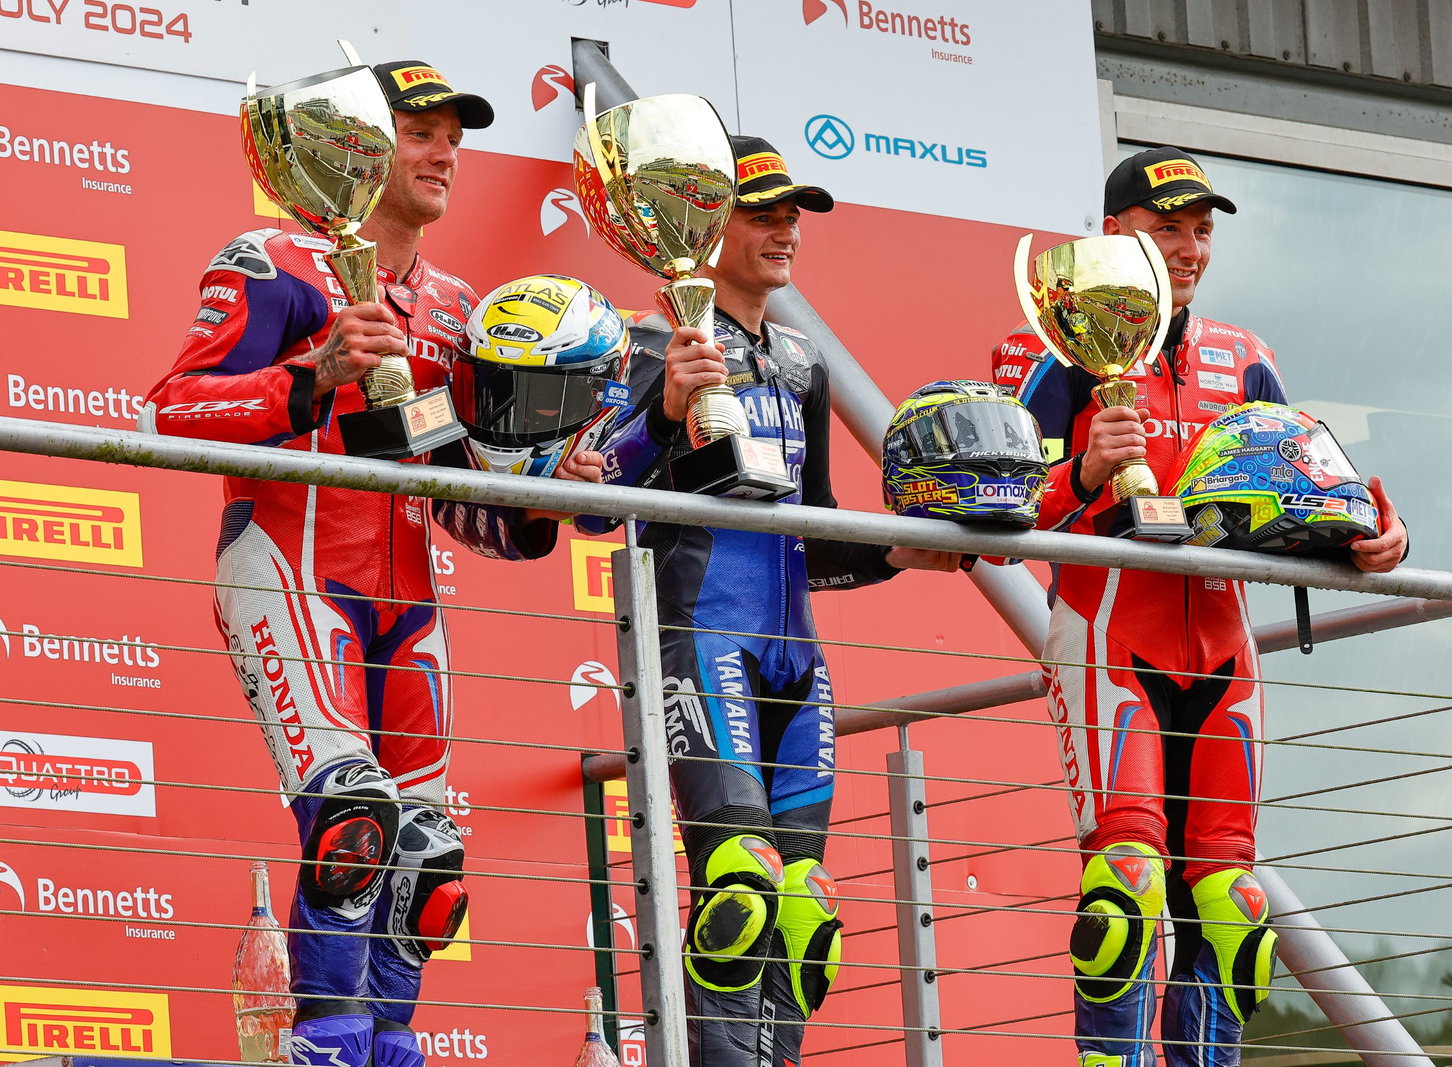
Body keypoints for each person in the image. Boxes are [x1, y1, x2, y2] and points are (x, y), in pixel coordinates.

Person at [143, 61, 598, 1067]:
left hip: (408, 598)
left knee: (426, 862)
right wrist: (312, 374)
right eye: (418, 132)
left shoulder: (456, 305)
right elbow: (171, 409)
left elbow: (456, 498)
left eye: (455, 137)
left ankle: (391, 1044)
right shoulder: (270, 259)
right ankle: (327, 1043)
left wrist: (541, 486)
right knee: (353, 818)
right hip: (288, 565)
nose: (443, 154)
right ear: (351, 139)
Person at [992, 147, 1408, 1067]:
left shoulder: (1245, 358)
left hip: (1225, 647)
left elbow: (1320, 498)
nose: (1187, 248)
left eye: (1199, 230)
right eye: (1164, 227)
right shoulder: (1047, 346)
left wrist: (1383, 536)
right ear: (1111, 235)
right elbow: (997, 515)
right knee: (1128, 885)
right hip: (1108, 635)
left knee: (1232, 905)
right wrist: (1085, 471)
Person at [580, 135, 961, 1067]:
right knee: (739, 887)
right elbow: (592, 508)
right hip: (696, 634)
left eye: (795, 212)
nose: (786, 227)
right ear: (703, 221)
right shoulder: (643, 342)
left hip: (797, 652)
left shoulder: (802, 359)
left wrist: (902, 551)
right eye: (763, 210)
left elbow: (817, 530)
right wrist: (665, 411)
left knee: (802, 910)